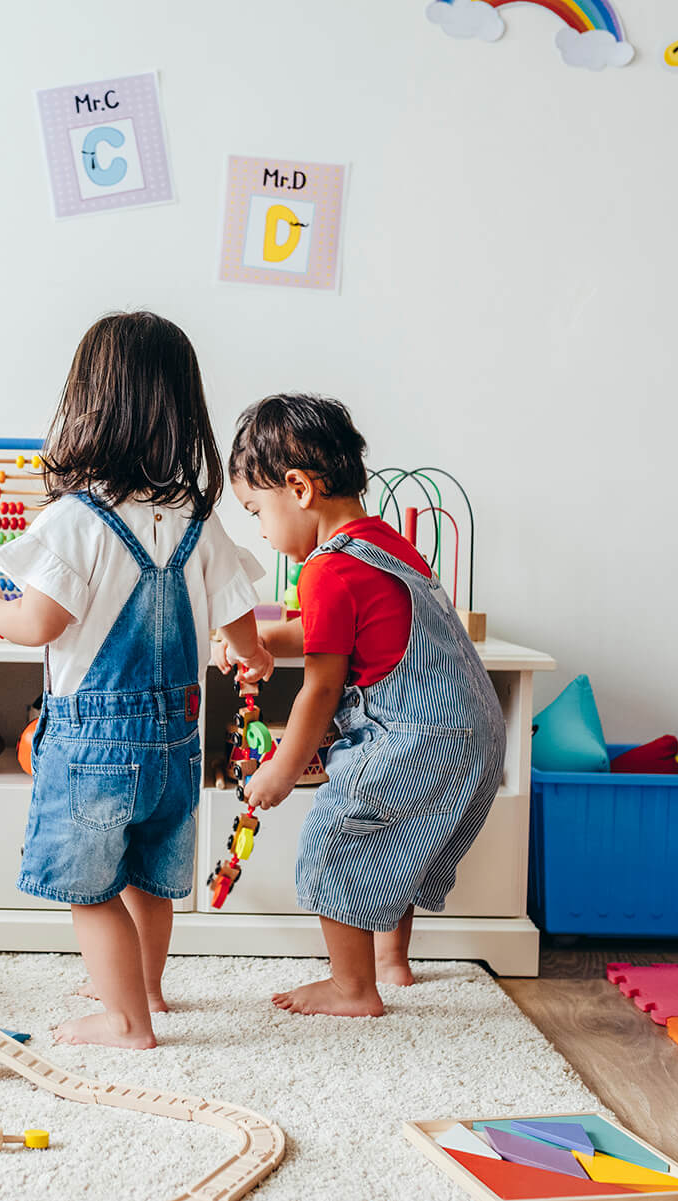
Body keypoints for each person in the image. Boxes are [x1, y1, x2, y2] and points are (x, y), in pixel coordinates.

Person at [0, 311, 269, 1048]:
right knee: (148, 876)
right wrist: (243, 654)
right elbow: (244, 630)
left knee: (92, 889)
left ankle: (125, 1020)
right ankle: (149, 990)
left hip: (95, 743)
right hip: (176, 741)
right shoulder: (199, 517)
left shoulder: (76, 518)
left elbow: (39, 623)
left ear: (88, 406)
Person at [222, 393, 505, 1016]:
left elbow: (321, 686)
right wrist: (265, 637)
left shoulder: (323, 571)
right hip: (471, 729)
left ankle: (352, 988)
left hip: (419, 733)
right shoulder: (384, 546)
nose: (263, 534)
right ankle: (391, 961)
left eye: (257, 512)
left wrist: (283, 769)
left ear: (298, 489)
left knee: (335, 834)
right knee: (390, 840)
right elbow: (340, 631)